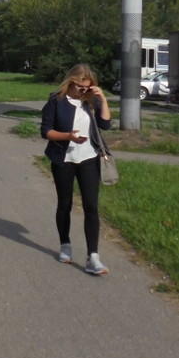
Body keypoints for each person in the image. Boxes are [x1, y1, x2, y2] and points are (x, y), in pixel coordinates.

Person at [40, 63, 112, 276]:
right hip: (64, 159)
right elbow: (46, 132)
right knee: (65, 203)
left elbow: (106, 125)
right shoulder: (56, 101)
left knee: (91, 206)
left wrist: (103, 98)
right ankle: (65, 244)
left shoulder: (91, 101)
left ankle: (93, 257)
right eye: (80, 87)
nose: (83, 91)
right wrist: (68, 136)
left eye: (87, 88)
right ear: (71, 83)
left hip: (89, 158)